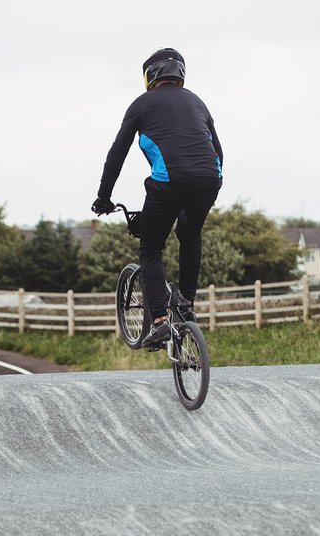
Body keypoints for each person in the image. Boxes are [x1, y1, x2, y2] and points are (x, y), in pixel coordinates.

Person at [92, 47, 223, 347]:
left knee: (150, 247)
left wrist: (103, 196)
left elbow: (117, 155)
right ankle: (187, 304)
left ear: (150, 76)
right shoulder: (197, 102)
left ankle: (161, 321)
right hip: (209, 179)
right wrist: (208, 188)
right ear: (180, 75)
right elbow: (219, 151)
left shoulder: (141, 104)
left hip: (168, 183)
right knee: (190, 235)